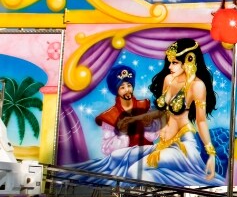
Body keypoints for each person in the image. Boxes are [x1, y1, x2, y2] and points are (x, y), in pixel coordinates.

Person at [73, 38, 224, 186]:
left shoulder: (197, 86)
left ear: (189, 60)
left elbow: (201, 121)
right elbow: (162, 112)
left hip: (183, 145)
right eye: (169, 62)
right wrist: (135, 119)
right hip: (163, 144)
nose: (170, 66)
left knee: (134, 171)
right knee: (117, 156)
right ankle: (74, 177)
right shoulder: (169, 80)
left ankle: (166, 194)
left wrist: (211, 154)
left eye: (175, 62)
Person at [95, 64, 158, 155]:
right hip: (125, 161)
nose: (127, 90)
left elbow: (154, 136)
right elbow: (106, 149)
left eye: (129, 85)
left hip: (147, 157)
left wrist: (148, 126)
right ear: (116, 91)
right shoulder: (110, 116)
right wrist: (122, 133)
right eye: (122, 87)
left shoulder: (144, 105)